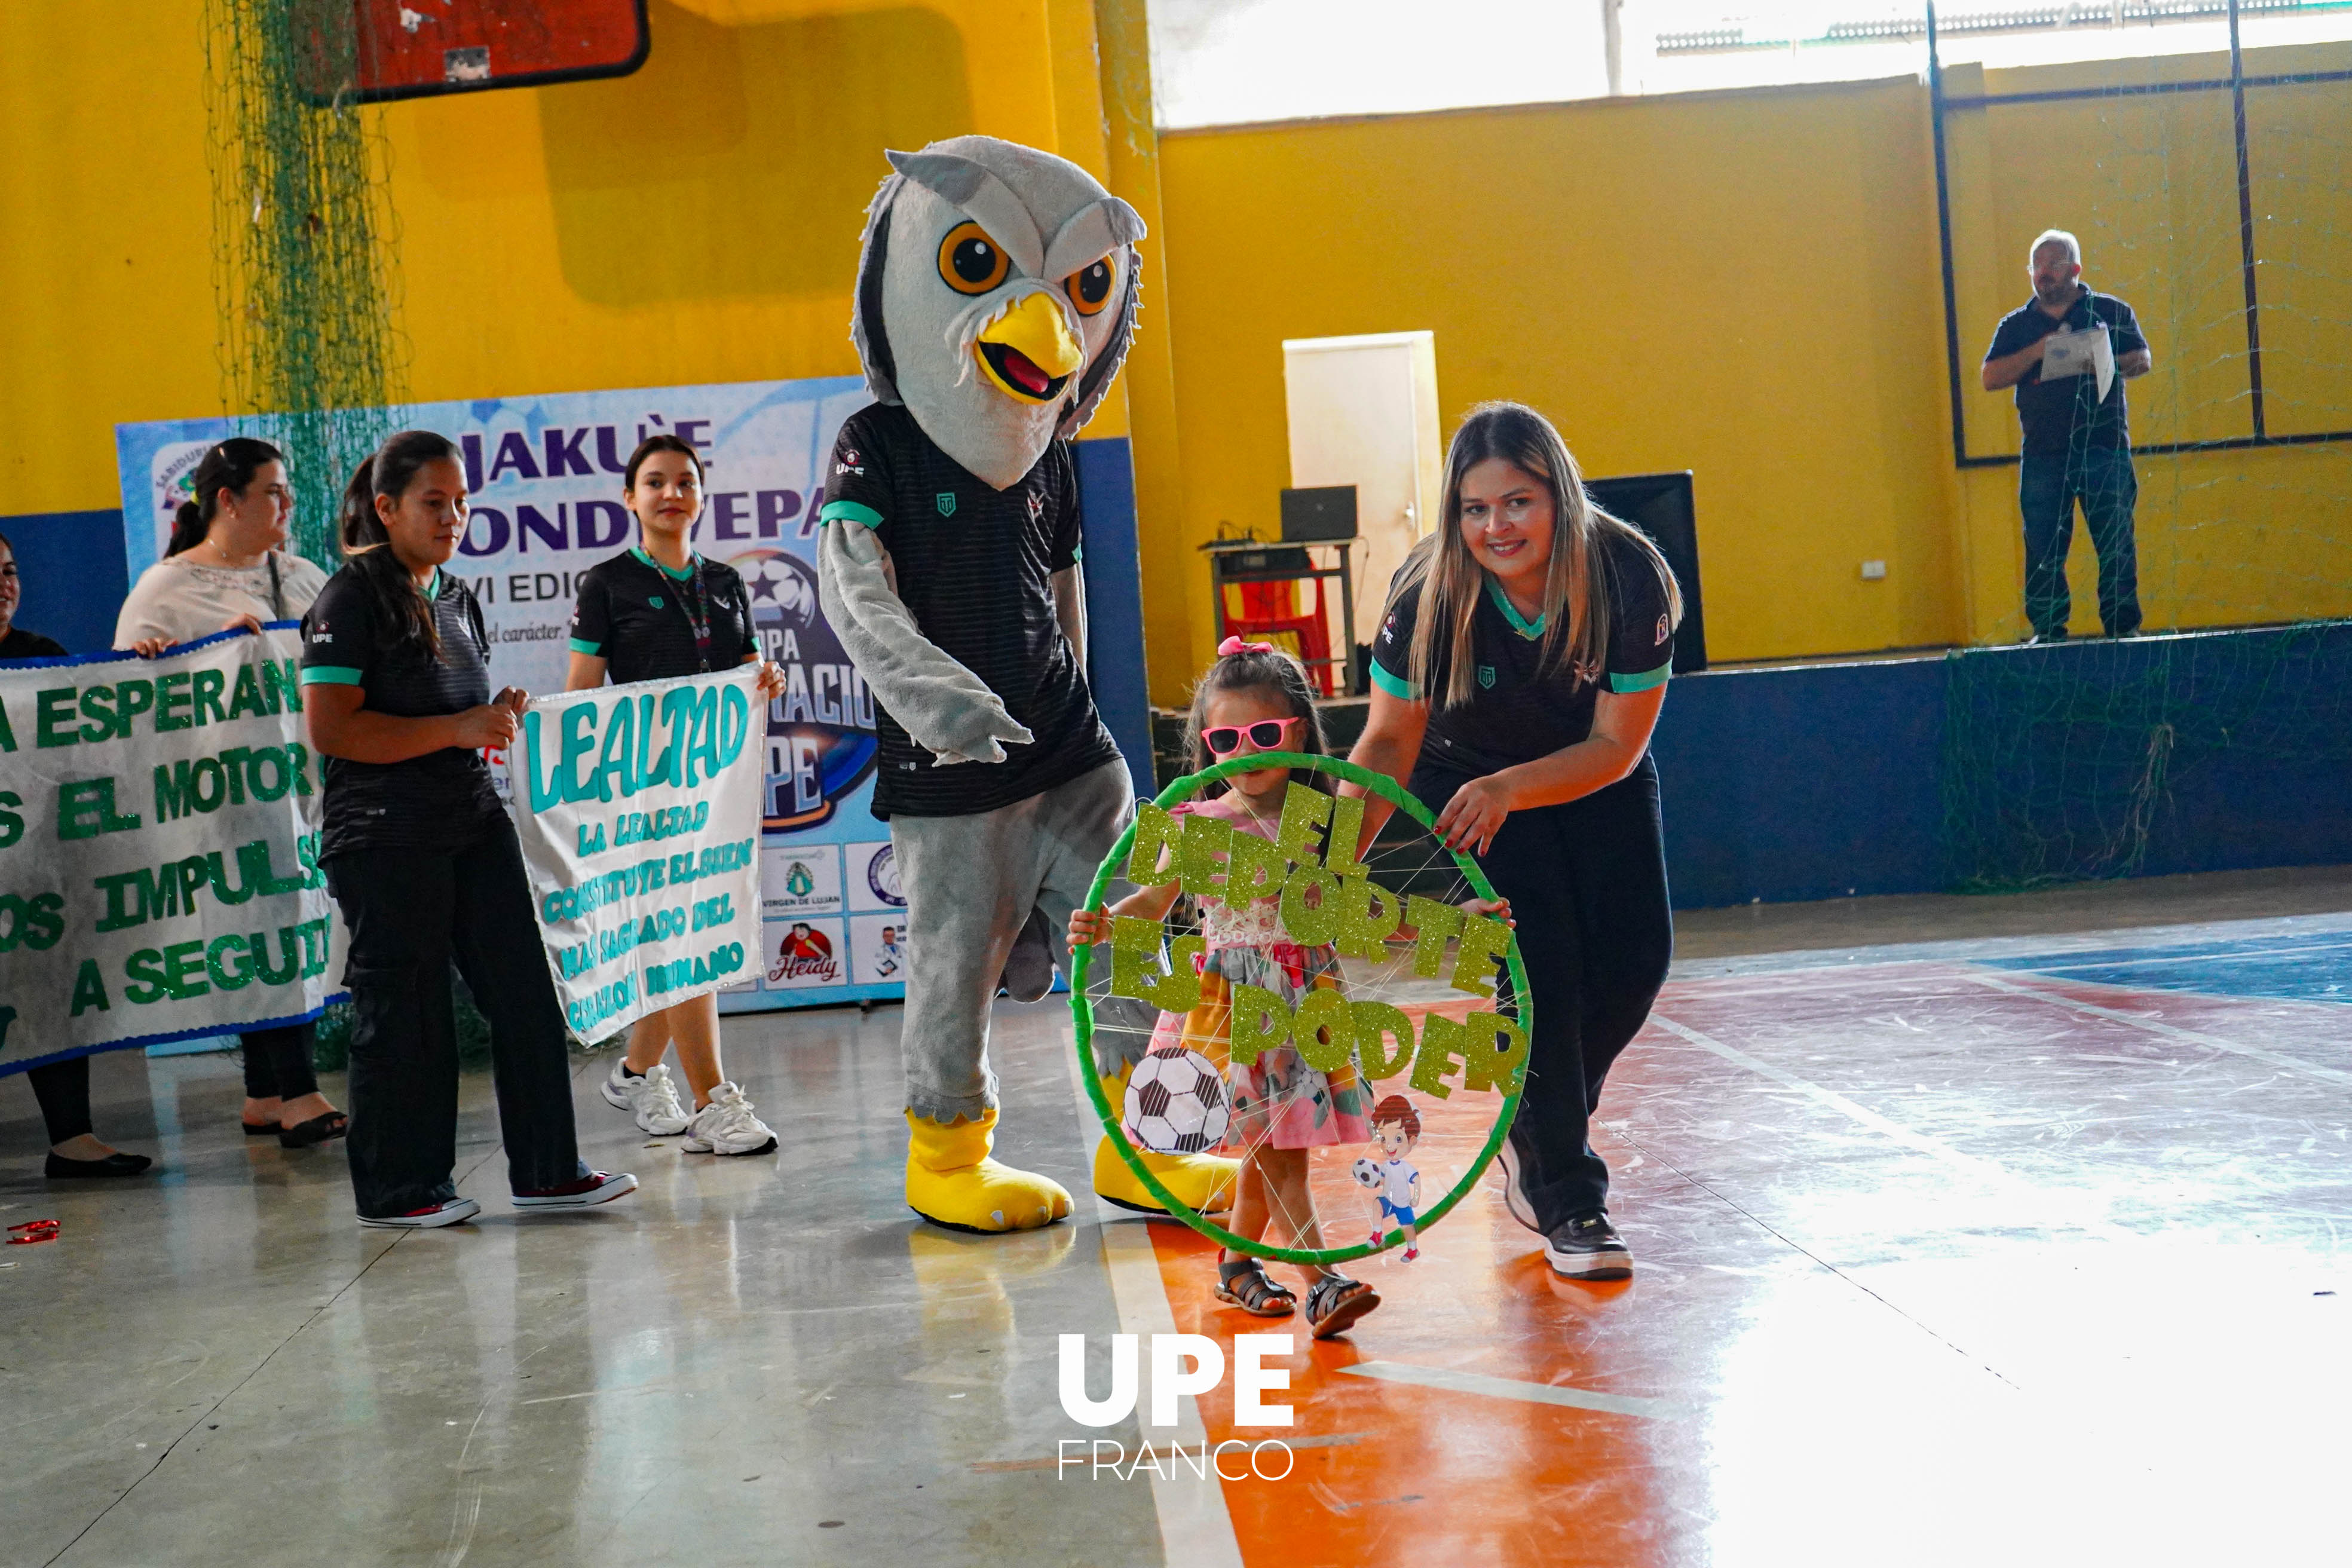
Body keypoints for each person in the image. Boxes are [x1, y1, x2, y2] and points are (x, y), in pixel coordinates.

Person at [1345, 401, 1683, 1282]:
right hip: (1468, 786)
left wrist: (1515, 788)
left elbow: (1616, 747)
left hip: (1589, 774)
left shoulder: (1626, 573)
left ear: (1558, 496)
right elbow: (1385, 741)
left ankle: (1537, 1128)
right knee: (1543, 978)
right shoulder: (1427, 593)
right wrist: (1328, 860)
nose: (1496, 526)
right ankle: (1569, 1197)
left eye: (1518, 502)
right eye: (1475, 508)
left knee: (1636, 964)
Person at [302, 431, 636, 1229]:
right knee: (406, 1007)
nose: (453, 515)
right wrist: (457, 729)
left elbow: (454, 720)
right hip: (383, 836)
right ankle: (400, 1190)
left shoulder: (459, 596)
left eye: (461, 501)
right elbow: (334, 730)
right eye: (433, 502)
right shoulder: (350, 597)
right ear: (386, 509)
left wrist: (490, 724)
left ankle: (549, 1171)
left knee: (524, 992)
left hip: (470, 822)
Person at [1070, 641, 1383, 1337]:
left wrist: (1468, 919)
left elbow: (1364, 910)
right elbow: (1153, 902)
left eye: (1265, 733)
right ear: (1206, 746)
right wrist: (1104, 923)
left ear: (1298, 729)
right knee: (1279, 1156)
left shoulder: (1319, 824)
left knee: (1274, 1153)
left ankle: (1237, 1266)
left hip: (1303, 1001)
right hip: (1234, 1005)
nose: (1247, 750)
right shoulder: (1197, 824)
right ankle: (1322, 1281)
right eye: (1225, 739)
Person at [115, 438, 345, 1147]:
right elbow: (117, 705)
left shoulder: (305, 578)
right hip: (218, 797)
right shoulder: (166, 588)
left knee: (293, 924)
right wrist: (190, 657)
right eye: (273, 491)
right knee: (263, 931)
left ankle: (264, 1091)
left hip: (301, 787)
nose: (287, 506)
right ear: (228, 499)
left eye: (288, 493)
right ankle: (299, 1091)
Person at [566, 434, 784, 1157]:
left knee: (682, 936)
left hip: (714, 788)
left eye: (683, 481)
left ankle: (635, 1073)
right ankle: (713, 1101)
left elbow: (747, 671)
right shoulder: (605, 584)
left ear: (700, 495)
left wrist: (766, 679)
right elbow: (580, 699)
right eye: (654, 482)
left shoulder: (725, 581)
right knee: (689, 936)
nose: (670, 493)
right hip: (644, 795)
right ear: (630, 498)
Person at [2, 531, 156, 1178]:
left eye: (9, 570)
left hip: (30, 877)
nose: (4, 584)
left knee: (50, 986)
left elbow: (91, 754)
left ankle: (72, 1137)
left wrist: (149, 670)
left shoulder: (42, 657)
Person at [1981, 228, 2154, 643]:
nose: (2044, 273)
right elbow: (1990, 377)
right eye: (2037, 266)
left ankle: (2122, 627)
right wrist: (2039, 351)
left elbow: (2142, 359)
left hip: (2104, 447)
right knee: (2043, 547)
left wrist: (2101, 358)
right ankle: (2048, 630)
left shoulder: (2111, 311)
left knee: (2115, 541)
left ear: (2075, 269)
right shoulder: (2017, 325)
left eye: (2054, 264)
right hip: (2044, 453)